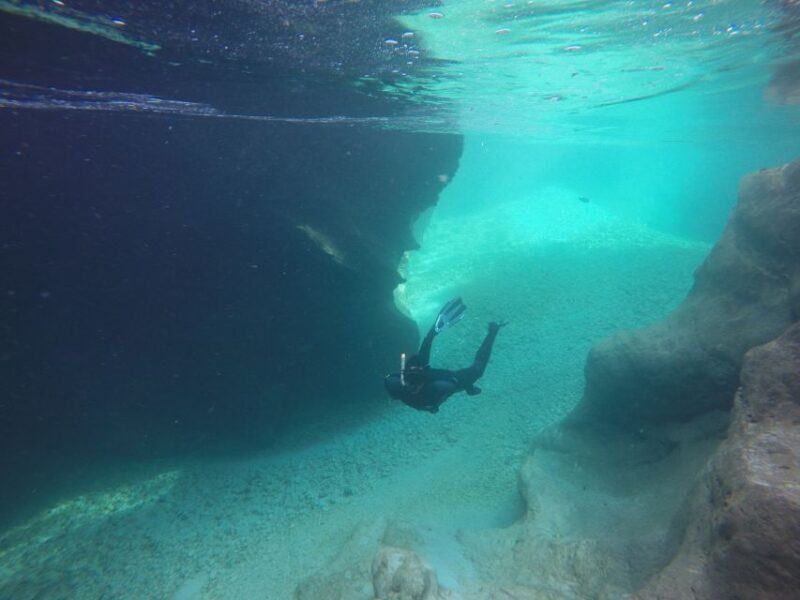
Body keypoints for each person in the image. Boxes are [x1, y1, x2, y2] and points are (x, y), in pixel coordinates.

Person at [384, 298, 505, 413]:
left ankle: (493, 332)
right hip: (428, 378)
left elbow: (455, 384)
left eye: (415, 383)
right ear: (404, 378)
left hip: (437, 379)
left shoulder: (439, 385)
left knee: (476, 371)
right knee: (423, 361)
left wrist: (467, 385)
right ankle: (433, 333)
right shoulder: (394, 383)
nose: (413, 388)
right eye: (410, 382)